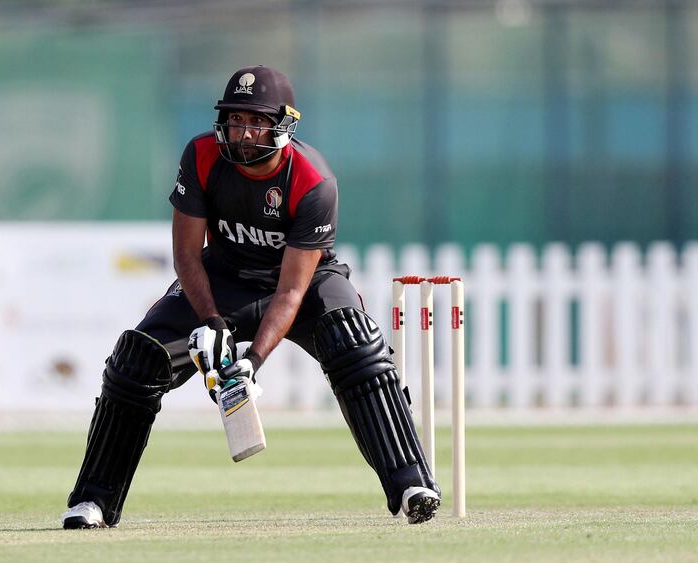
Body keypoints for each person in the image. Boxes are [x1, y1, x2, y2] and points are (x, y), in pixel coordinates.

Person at [61, 65, 441, 529]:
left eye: (256, 121)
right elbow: (186, 256)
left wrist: (251, 361)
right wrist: (213, 324)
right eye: (235, 120)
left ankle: (410, 484)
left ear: (283, 124)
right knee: (136, 360)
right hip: (222, 277)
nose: (243, 133)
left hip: (306, 281)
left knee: (354, 341)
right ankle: (93, 501)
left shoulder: (313, 181)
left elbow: (292, 290)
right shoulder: (201, 155)